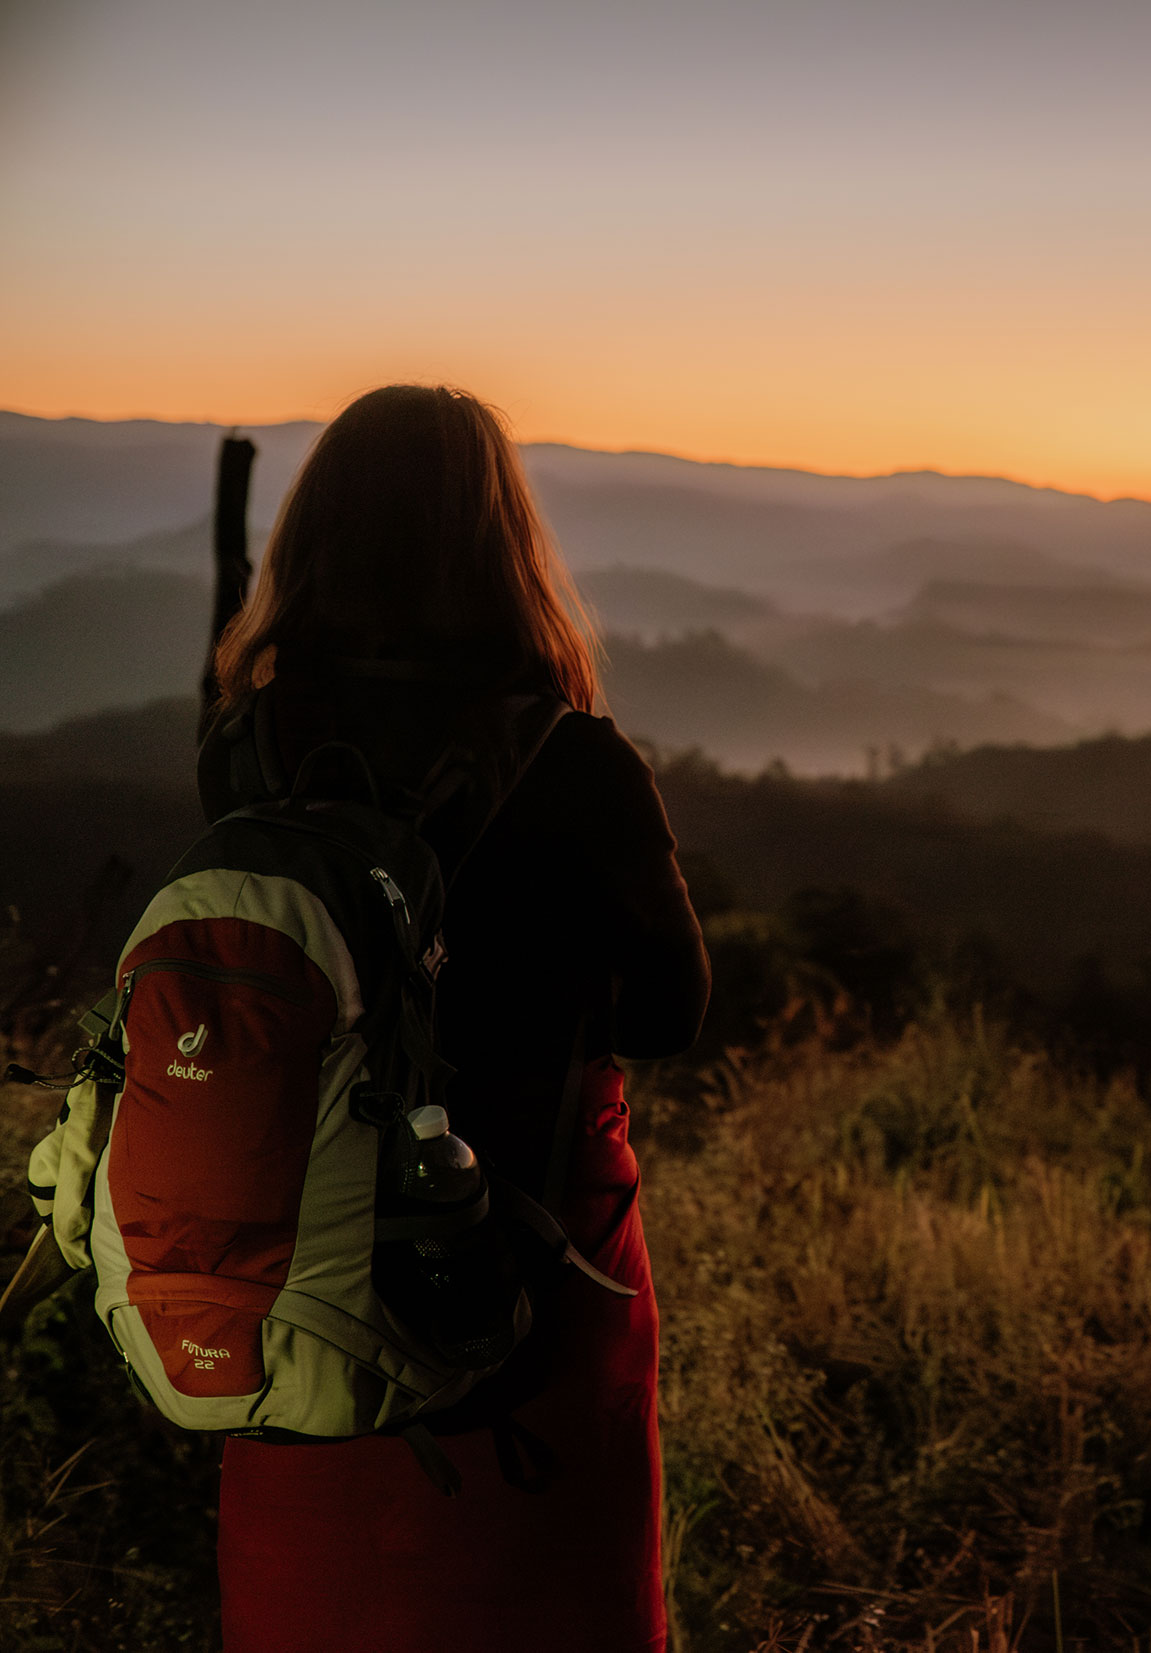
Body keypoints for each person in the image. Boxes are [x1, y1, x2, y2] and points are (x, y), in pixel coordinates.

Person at [199, 384, 709, 1653]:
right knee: (541, 1601)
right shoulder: (571, 758)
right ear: (501, 542)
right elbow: (669, 1010)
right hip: (534, 1254)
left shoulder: (250, 739)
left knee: (321, 1599)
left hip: (300, 1257)